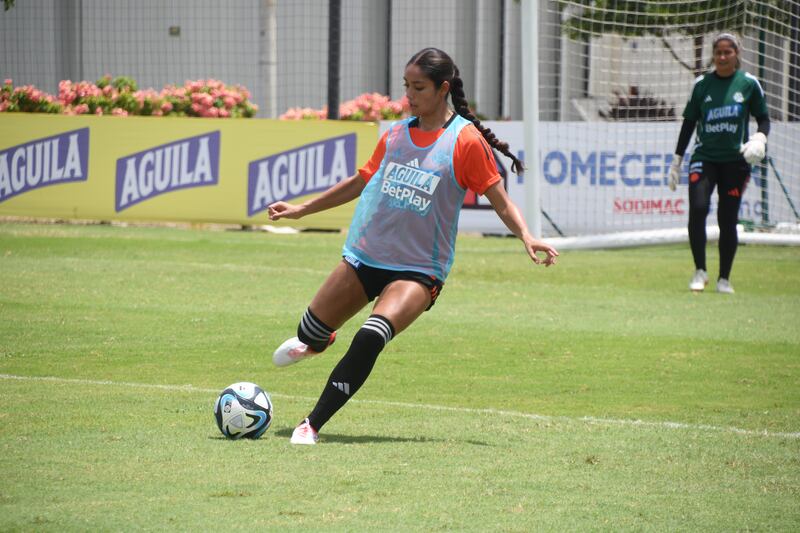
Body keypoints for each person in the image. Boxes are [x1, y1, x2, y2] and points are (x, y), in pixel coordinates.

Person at [267, 47, 559, 445]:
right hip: (367, 256)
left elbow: (502, 201)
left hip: (419, 270)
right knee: (309, 333)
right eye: (406, 86)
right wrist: (302, 210)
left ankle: (311, 424)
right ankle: (320, 340)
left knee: (371, 335)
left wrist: (527, 235)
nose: (409, 95)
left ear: (442, 89)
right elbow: (359, 181)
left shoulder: (465, 142)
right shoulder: (396, 134)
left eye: (418, 87)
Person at [668, 32, 770, 294]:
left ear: (737, 54)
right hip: (704, 158)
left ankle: (724, 278)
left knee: (727, 218)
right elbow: (689, 122)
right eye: (718, 52)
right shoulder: (701, 85)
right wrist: (677, 159)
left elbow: (764, 118)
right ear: (713, 55)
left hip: (735, 162)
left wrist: (760, 137)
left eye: (728, 52)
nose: (722, 57)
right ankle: (700, 270)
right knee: (698, 208)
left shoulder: (749, 84)